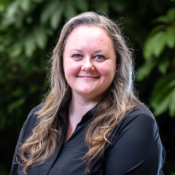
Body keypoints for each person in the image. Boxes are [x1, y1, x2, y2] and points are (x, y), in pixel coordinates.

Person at [10, 12, 165, 175]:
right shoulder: (37, 118)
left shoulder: (135, 125)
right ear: (62, 61)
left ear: (117, 63)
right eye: (77, 56)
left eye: (99, 57)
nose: (87, 66)